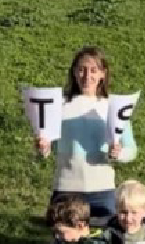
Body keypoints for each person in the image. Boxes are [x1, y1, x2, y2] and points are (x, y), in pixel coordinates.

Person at [38, 47, 136, 220]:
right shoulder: (59, 105)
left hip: (103, 191)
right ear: (74, 72)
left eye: (93, 70)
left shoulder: (113, 107)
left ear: (102, 74)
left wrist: (119, 153)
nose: (87, 76)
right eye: (81, 69)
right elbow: (47, 148)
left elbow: (131, 149)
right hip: (66, 189)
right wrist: (42, 147)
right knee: (65, 242)